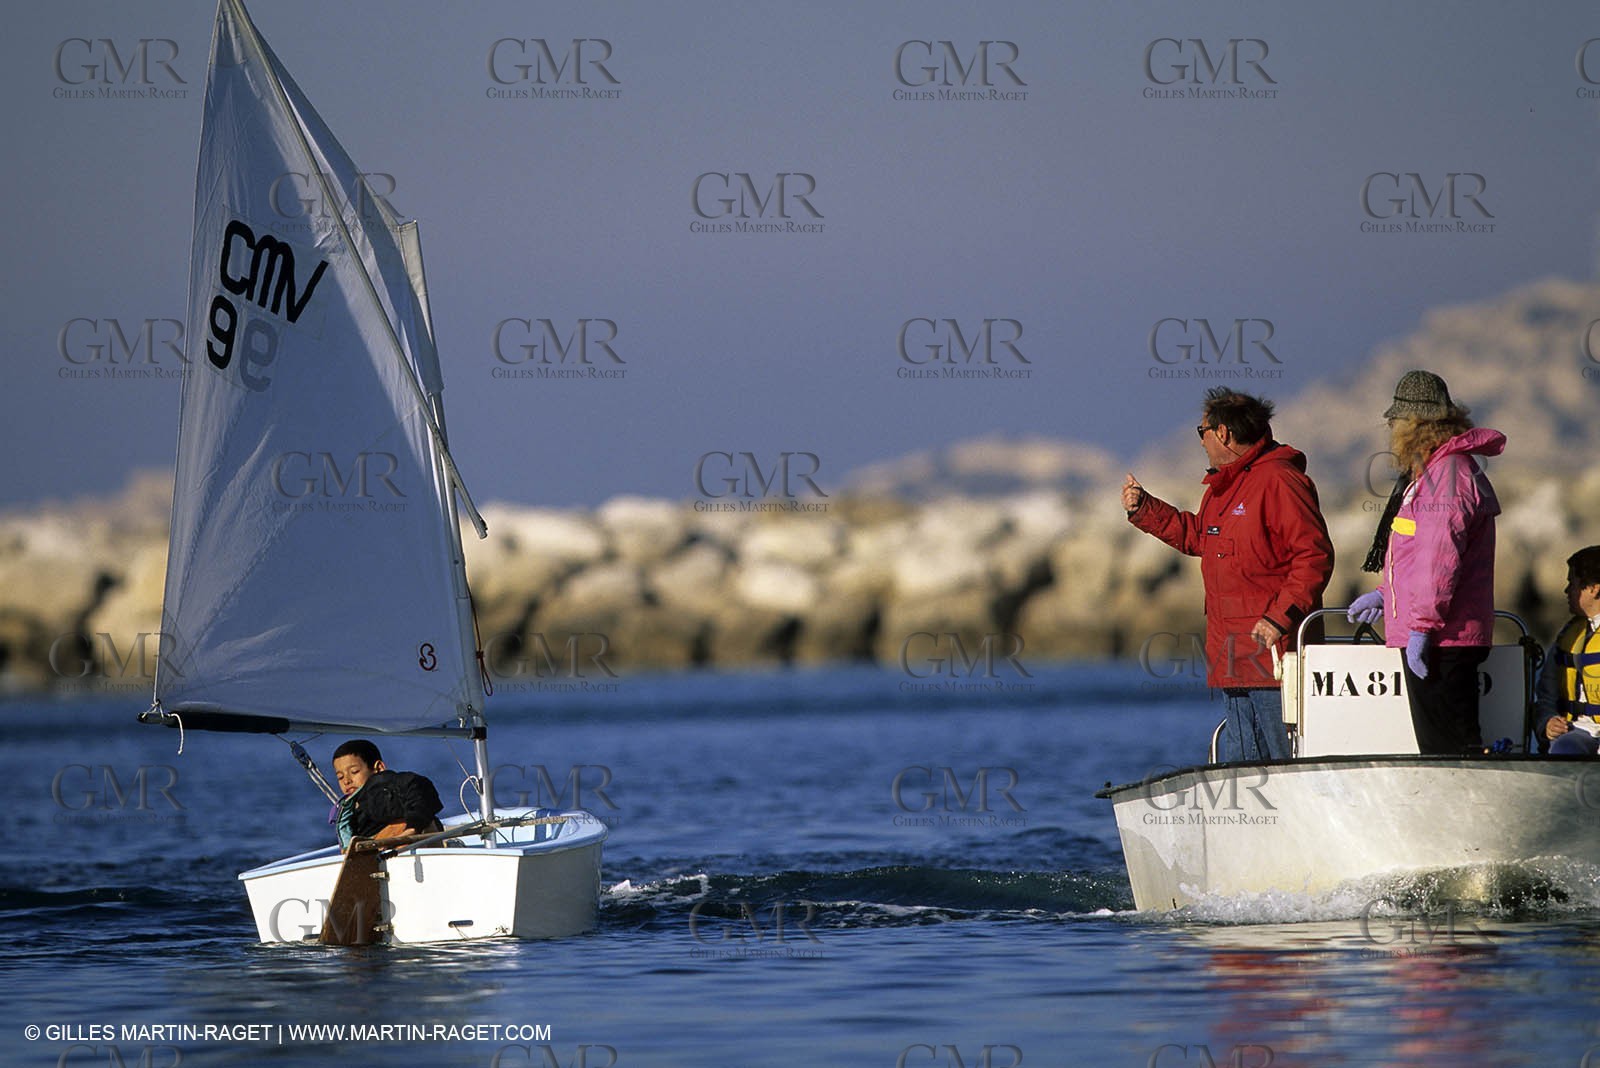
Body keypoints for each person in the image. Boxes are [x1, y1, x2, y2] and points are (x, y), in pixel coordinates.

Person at [1122, 388, 1334, 761]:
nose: (1200, 441)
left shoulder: (1280, 480)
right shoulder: (1224, 487)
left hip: (1274, 662)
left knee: (1283, 761)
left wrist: (1279, 618)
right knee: (1243, 766)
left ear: (1222, 433)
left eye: (1201, 431)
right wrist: (1145, 508)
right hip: (1233, 659)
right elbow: (1198, 537)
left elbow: (1313, 556)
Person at [1347, 370, 1504, 755]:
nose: (1390, 429)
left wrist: (1421, 627)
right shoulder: (1434, 471)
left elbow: (1439, 560)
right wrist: (1388, 594)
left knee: (1451, 750)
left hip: (1444, 638)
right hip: (1440, 632)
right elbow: (1417, 555)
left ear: (1414, 425)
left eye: (1394, 421)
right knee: (1447, 745)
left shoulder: (1446, 476)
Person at [1533, 546, 1600, 755]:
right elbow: (1546, 695)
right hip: (1577, 731)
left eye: (1572, 583)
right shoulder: (1569, 636)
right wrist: (1547, 723)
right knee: (1564, 748)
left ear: (1593, 588)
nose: (1566, 591)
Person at [331, 739, 444, 850]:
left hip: (410, 846)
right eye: (340, 777)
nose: (346, 781)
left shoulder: (381, 785)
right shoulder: (351, 806)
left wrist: (411, 829)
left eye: (354, 771)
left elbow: (419, 787)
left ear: (379, 768)